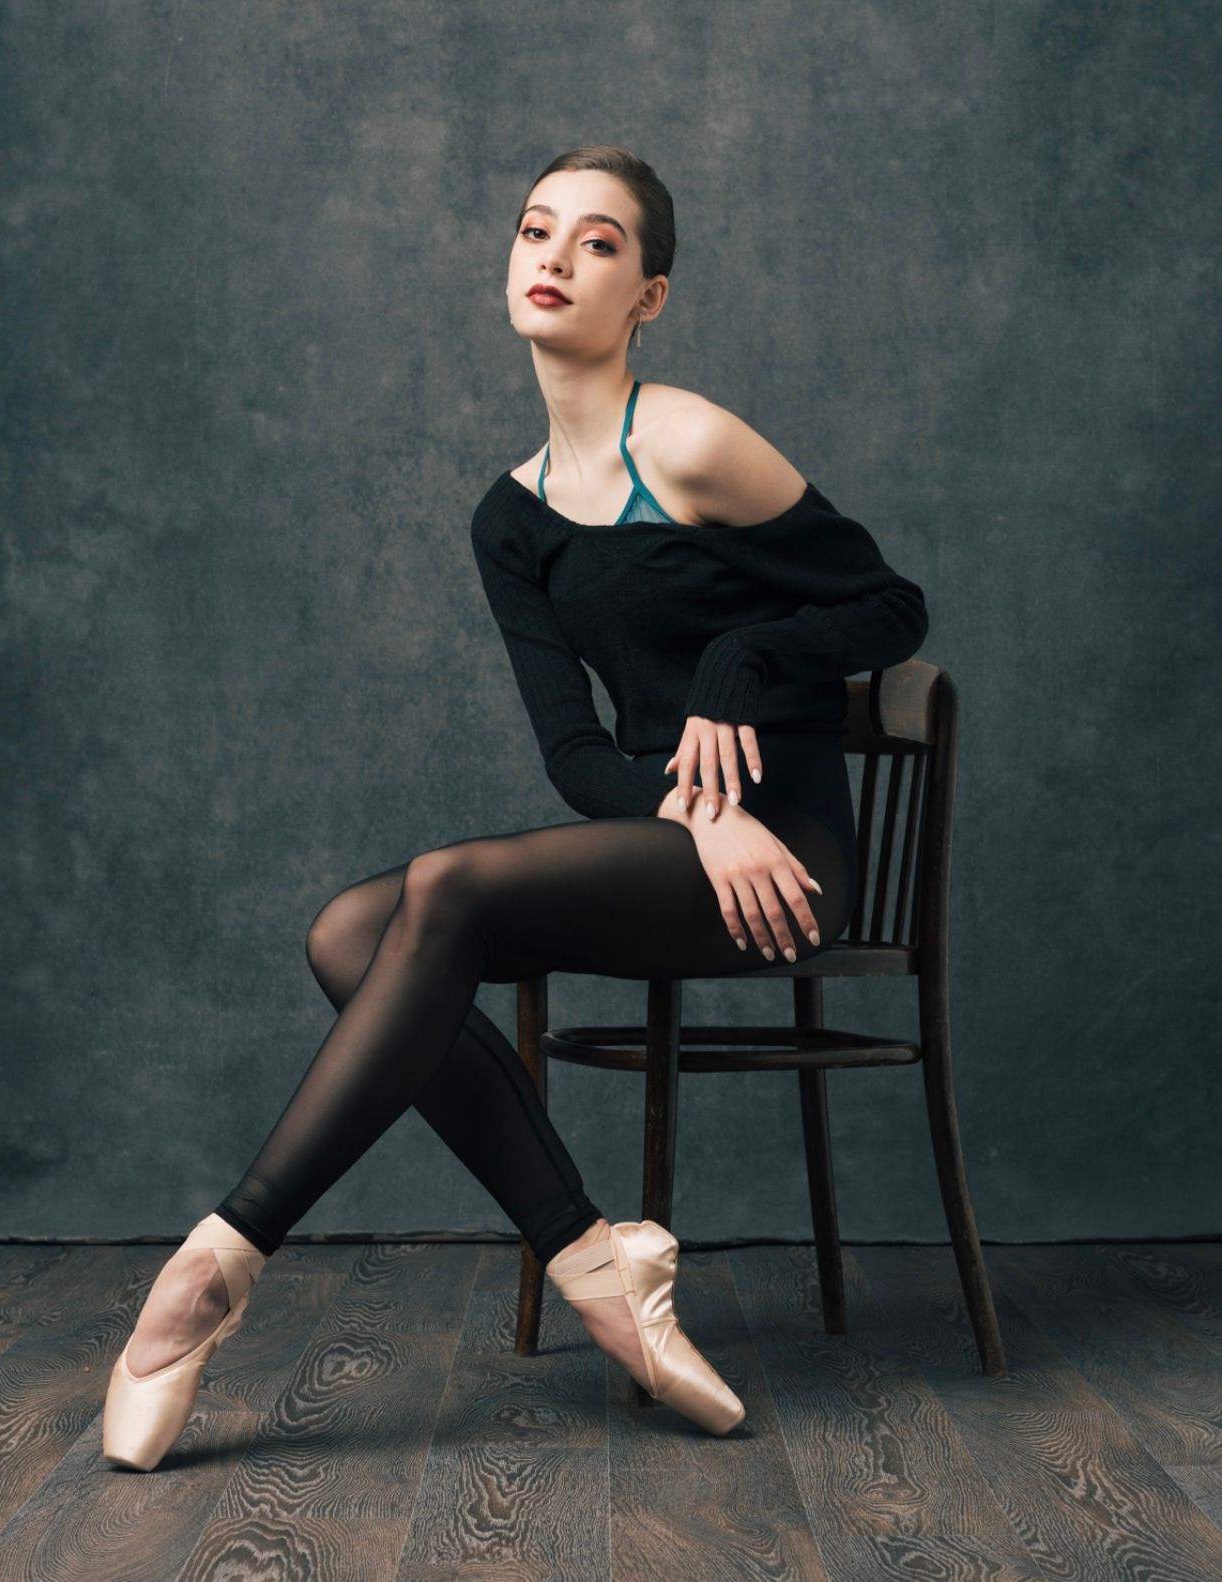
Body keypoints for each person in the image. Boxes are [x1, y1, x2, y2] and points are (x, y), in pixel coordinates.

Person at [102, 145, 929, 1470]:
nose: (552, 257)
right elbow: (571, 751)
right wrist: (684, 806)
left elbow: (892, 605)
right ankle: (599, 1265)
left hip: (784, 865)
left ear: (648, 294)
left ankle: (217, 1263)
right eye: (535, 230)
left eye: (597, 243)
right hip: (670, 843)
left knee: (445, 889)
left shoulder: (693, 441)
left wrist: (741, 669)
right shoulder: (511, 520)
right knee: (343, 935)